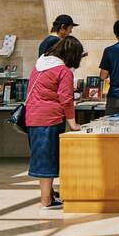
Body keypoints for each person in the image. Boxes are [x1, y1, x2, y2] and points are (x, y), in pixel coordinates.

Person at [25, 34, 82, 209]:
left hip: (33, 116)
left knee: (42, 157)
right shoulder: (63, 71)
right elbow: (66, 99)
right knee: (48, 159)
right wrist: (73, 123)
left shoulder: (40, 64)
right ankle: (47, 200)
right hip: (49, 118)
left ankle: (48, 194)